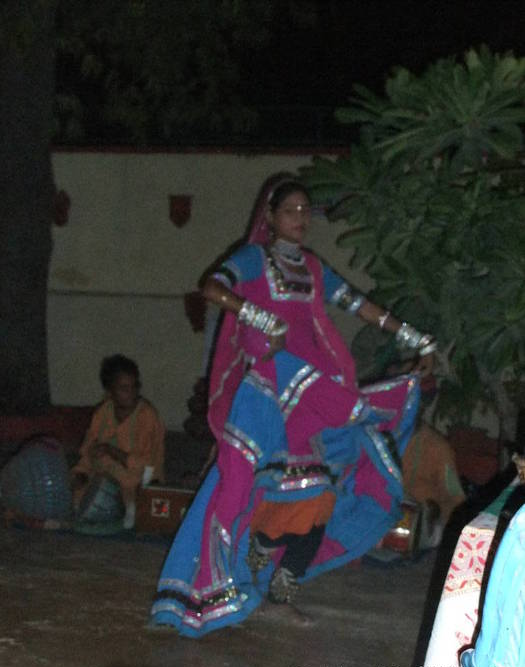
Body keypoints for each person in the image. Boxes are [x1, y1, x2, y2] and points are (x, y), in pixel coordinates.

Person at [150, 174, 436, 637]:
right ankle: (243, 569)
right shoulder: (253, 259)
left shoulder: (313, 268)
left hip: (316, 396)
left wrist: (412, 336)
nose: (300, 219)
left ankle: (280, 586)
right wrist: (258, 315)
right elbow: (212, 287)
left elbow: (360, 305)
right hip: (270, 392)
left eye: (306, 211)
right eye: (291, 211)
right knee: (255, 490)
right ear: (270, 216)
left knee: (321, 494)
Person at [71, 354, 165, 529]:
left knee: (129, 481)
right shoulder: (103, 413)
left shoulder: (146, 415)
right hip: (105, 474)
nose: (131, 393)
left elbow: (146, 465)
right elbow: (88, 452)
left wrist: (111, 451)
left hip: (138, 478)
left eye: (134, 387)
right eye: (123, 388)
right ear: (110, 392)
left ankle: (130, 508)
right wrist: (82, 473)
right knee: (78, 483)